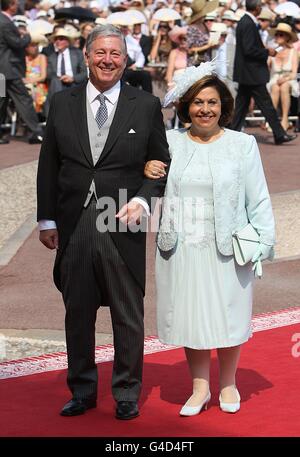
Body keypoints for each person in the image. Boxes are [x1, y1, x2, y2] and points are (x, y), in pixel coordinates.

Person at [37, 24, 170, 420]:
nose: (108, 60)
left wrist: (144, 204)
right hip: (74, 221)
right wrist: (47, 219)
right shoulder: (62, 103)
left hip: (123, 220)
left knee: (128, 313)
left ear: (126, 60)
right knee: (77, 311)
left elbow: (161, 165)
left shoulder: (145, 105)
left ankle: (127, 392)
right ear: (86, 56)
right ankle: (82, 390)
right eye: (101, 53)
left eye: (116, 54)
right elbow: (49, 166)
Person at [144, 62, 275, 416]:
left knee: (228, 315)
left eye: (212, 102)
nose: (205, 109)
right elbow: (146, 178)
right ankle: (200, 388)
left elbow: (258, 197)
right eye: (198, 102)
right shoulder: (169, 142)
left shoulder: (242, 145)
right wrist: (147, 167)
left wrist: (263, 241)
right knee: (191, 317)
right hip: (182, 246)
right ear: (186, 106)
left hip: (228, 246)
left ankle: (229, 383)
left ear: (224, 106)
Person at [231, 0, 297, 145]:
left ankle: (231, 134)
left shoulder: (246, 21)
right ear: (256, 8)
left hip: (248, 74)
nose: (261, 8)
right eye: (260, 6)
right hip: (252, 73)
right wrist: (267, 51)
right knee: (266, 106)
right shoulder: (248, 23)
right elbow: (249, 50)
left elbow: (249, 48)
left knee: (241, 108)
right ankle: (279, 134)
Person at [0, 0, 44, 144]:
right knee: (24, 99)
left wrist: (18, 33)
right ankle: (36, 133)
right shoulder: (5, 22)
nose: (18, 6)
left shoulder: (4, 21)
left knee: (2, 100)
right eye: (16, 4)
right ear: (11, 5)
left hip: (3, 72)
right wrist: (28, 36)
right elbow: (17, 43)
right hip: (9, 71)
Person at [267, 23, 299, 131]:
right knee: (275, 87)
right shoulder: (272, 51)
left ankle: (285, 119)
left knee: (284, 86)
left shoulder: (293, 52)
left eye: (281, 35)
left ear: (287, 37)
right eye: (276, 35)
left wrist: (285, 79)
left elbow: (294, 73)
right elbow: (267, 68)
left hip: (289, 79)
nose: (278, 37)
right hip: (274, 79)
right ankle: (272, 120)